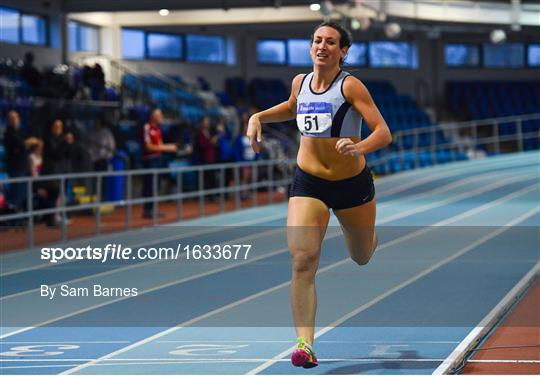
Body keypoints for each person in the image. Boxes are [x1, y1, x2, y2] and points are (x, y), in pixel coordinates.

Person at [246, 21, 392, 368]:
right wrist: (258, 117)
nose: (321, 46)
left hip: (351, 185)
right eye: (317, 40)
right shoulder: (301, 82)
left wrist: (360, 147)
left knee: (361, 256)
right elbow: (293, 106)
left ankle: (367, 237)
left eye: (330, 42)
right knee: (302, 261)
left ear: (342, 51)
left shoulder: (351, 86)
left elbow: (383, 132)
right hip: (309, 182)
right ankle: (304, 344)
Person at [141, 109, 177, 219]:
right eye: (159, 115)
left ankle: (152, 209)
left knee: (156, 185)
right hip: (150, 160)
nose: (161, 117)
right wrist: (168, 147)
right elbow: (148, 146)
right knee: (150, 185)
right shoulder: (147, 127)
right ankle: (147, 210)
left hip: (158, 159)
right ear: (153, 116)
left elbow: (160, 145)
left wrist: (168, 146)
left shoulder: (158, 129)